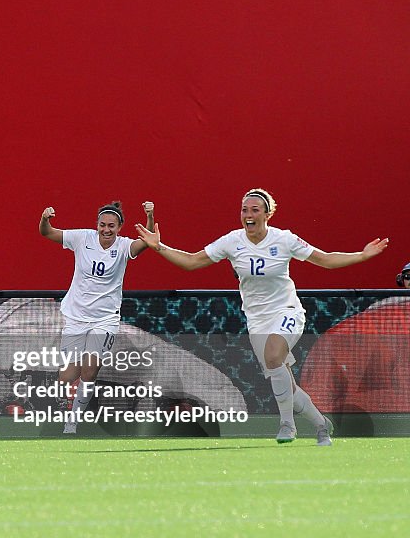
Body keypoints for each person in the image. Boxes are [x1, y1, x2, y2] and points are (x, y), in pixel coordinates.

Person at [134, 187, 388, 445]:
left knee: (274, 355)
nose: (248, 214)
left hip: (287, 311)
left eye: (255, 210)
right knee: (286, 385)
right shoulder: (232, 241)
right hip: (257, 320)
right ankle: (321, 425)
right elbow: (191, 262)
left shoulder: (284, 239)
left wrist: (362, 255)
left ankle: (287, 425)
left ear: (268, 214)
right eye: (244, 210)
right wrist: (159, 247)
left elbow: (325, 260)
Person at [39, 200, 155, 433]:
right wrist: (45, 219)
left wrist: (150, 217)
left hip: (105, 318)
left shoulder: (123, 246)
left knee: (90, 369)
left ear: (119, 227)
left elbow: (147, 242)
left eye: (111, 226)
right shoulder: (82, 238)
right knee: (69, 374)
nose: (106, 230)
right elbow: (47, 232)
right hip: (76, 316)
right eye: (102, 225)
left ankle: (73, 421)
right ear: (97, 225)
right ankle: (55, 397)